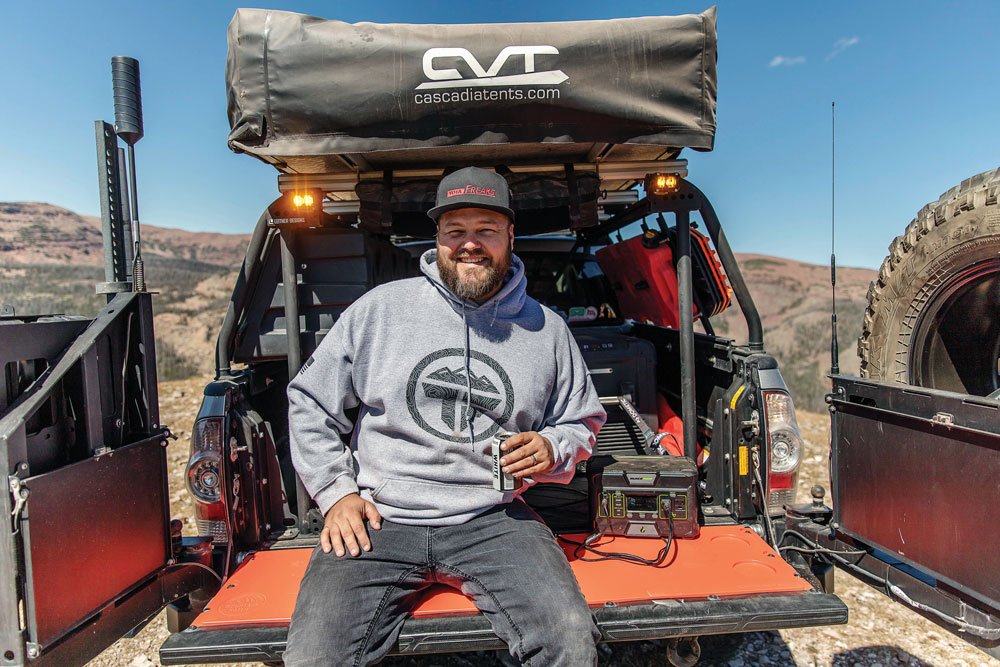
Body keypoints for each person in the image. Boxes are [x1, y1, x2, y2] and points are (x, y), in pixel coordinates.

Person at [284, 166, 606, 666]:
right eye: (456, 231)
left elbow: (582, 421)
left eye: (486, 231)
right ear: (437, 239)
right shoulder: (378, 311)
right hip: (378, 517)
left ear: (510, 237)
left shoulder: (548, 330)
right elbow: (310, 400)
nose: (470, 244)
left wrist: (552, 447)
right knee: (314, 656)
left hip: (493, 517)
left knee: (567, 637)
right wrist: (336, 493)